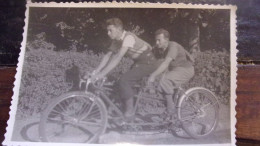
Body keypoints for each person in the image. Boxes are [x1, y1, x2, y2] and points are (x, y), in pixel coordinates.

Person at [90, 18, 161, 117]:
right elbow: (107, 56)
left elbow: (118, 57)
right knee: (122, 83)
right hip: (139, 62)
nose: (108, 33)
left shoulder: (128, 38)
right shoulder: (116, 41)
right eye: (107, 30)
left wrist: (102, 74)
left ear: (119, 29)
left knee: (124, 81)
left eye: (111, 30)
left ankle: (130, 112)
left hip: (149, 62)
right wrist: (96, 72)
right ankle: (122, 109)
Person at [148, 28, 195, 113]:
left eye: (159, 40)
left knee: (165, 81)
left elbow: (166, 63)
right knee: (164, 85)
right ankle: (174, 110)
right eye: (156, 40)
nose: (156, 42)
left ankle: (170, 111)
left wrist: (153, 76)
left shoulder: (173, 46)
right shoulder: (160, 48)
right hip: (175, 70)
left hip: (185, 69)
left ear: (166, 40)